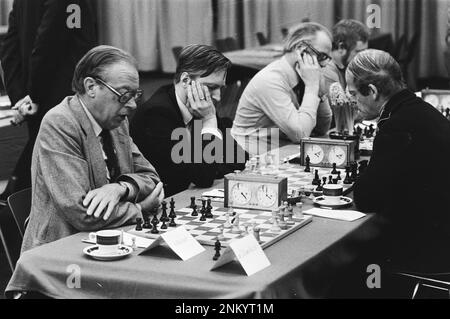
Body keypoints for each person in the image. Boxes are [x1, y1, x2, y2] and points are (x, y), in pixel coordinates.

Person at [21, 45, 163, 252]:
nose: (132, 105)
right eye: (124, 94)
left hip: (108, 240)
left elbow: (151, 178)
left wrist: (120, 189)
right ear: (91, 87)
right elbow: (82, 213)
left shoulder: (116, 122)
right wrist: (139, 208)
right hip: (61, 252)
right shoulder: (60, 122)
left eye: (135, 95)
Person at [343, 49, 450, 296]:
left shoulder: (395, 126)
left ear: (372, 91)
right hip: (442, 231)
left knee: (347, 265)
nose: (352, 102)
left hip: (432, 249)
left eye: (353, 94)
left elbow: (367, 198)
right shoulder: (421, 109)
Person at [0, 0, 98, 201]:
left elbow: (10, 49)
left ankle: (13, 206)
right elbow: (48, 46)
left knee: (43, 169)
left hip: (38, 94)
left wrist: (21, 97)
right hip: (64, 95)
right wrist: (33, 96)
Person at [131, 44, 246, 197]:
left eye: (220, 88)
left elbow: (239, 158)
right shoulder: (157, 114)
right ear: (185, 80)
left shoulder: (200, 105)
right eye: (211, 87)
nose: (218, 96)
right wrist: (209, 121)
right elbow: (203, 177)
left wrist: (208, 166)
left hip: (191, 194)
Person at [231, 22, 333, 155]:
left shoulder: (303, 76)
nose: (324, 64)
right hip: (249, 159)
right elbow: (300, 134)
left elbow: (322, 129)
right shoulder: (271, 80)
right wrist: (312, 88)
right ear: (301, 48)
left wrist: (321, 93)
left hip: (279, 153)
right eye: (321, 56)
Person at [322, 19, 369, 91]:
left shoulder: (346, 67)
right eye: (358, 52)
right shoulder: (328, 73)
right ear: (341, 47)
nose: (363, 57)